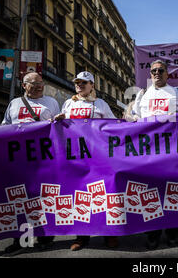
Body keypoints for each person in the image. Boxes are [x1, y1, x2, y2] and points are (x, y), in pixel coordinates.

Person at [54, 71, 118, 251]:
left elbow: (113, 125)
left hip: (98, 158)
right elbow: (60, 128)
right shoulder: (68, 103)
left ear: (92, 86)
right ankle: (81, 236)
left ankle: (109, 235)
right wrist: (58, 119)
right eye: (78, 82)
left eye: (84, 82)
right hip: (74, 158)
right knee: (78, 196)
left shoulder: (101, 104)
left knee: (103, 195)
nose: (80, 85)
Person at [0, 72, 60, 255]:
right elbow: (5, 126)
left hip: (43, 160)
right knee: (20, 200)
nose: (39, 86)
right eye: (34, 83)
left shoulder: (52, 103)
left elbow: (60, 128)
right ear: (24, 85)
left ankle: (45, 238)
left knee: (44, 199)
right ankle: (22, 240)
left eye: (41, 83)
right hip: (18, 161)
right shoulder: (14, 103)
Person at [132, 59, 178, 249]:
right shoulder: (142, 94)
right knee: (151, 192)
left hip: (173, 150)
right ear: (150, 74)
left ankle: (173, 232)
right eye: (153, 70)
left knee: (173, 191)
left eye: (160, 70)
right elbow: (135, 118)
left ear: (167, 73)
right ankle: (153, 233)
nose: (156, 73)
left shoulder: (177, 92)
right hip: (149, 152)